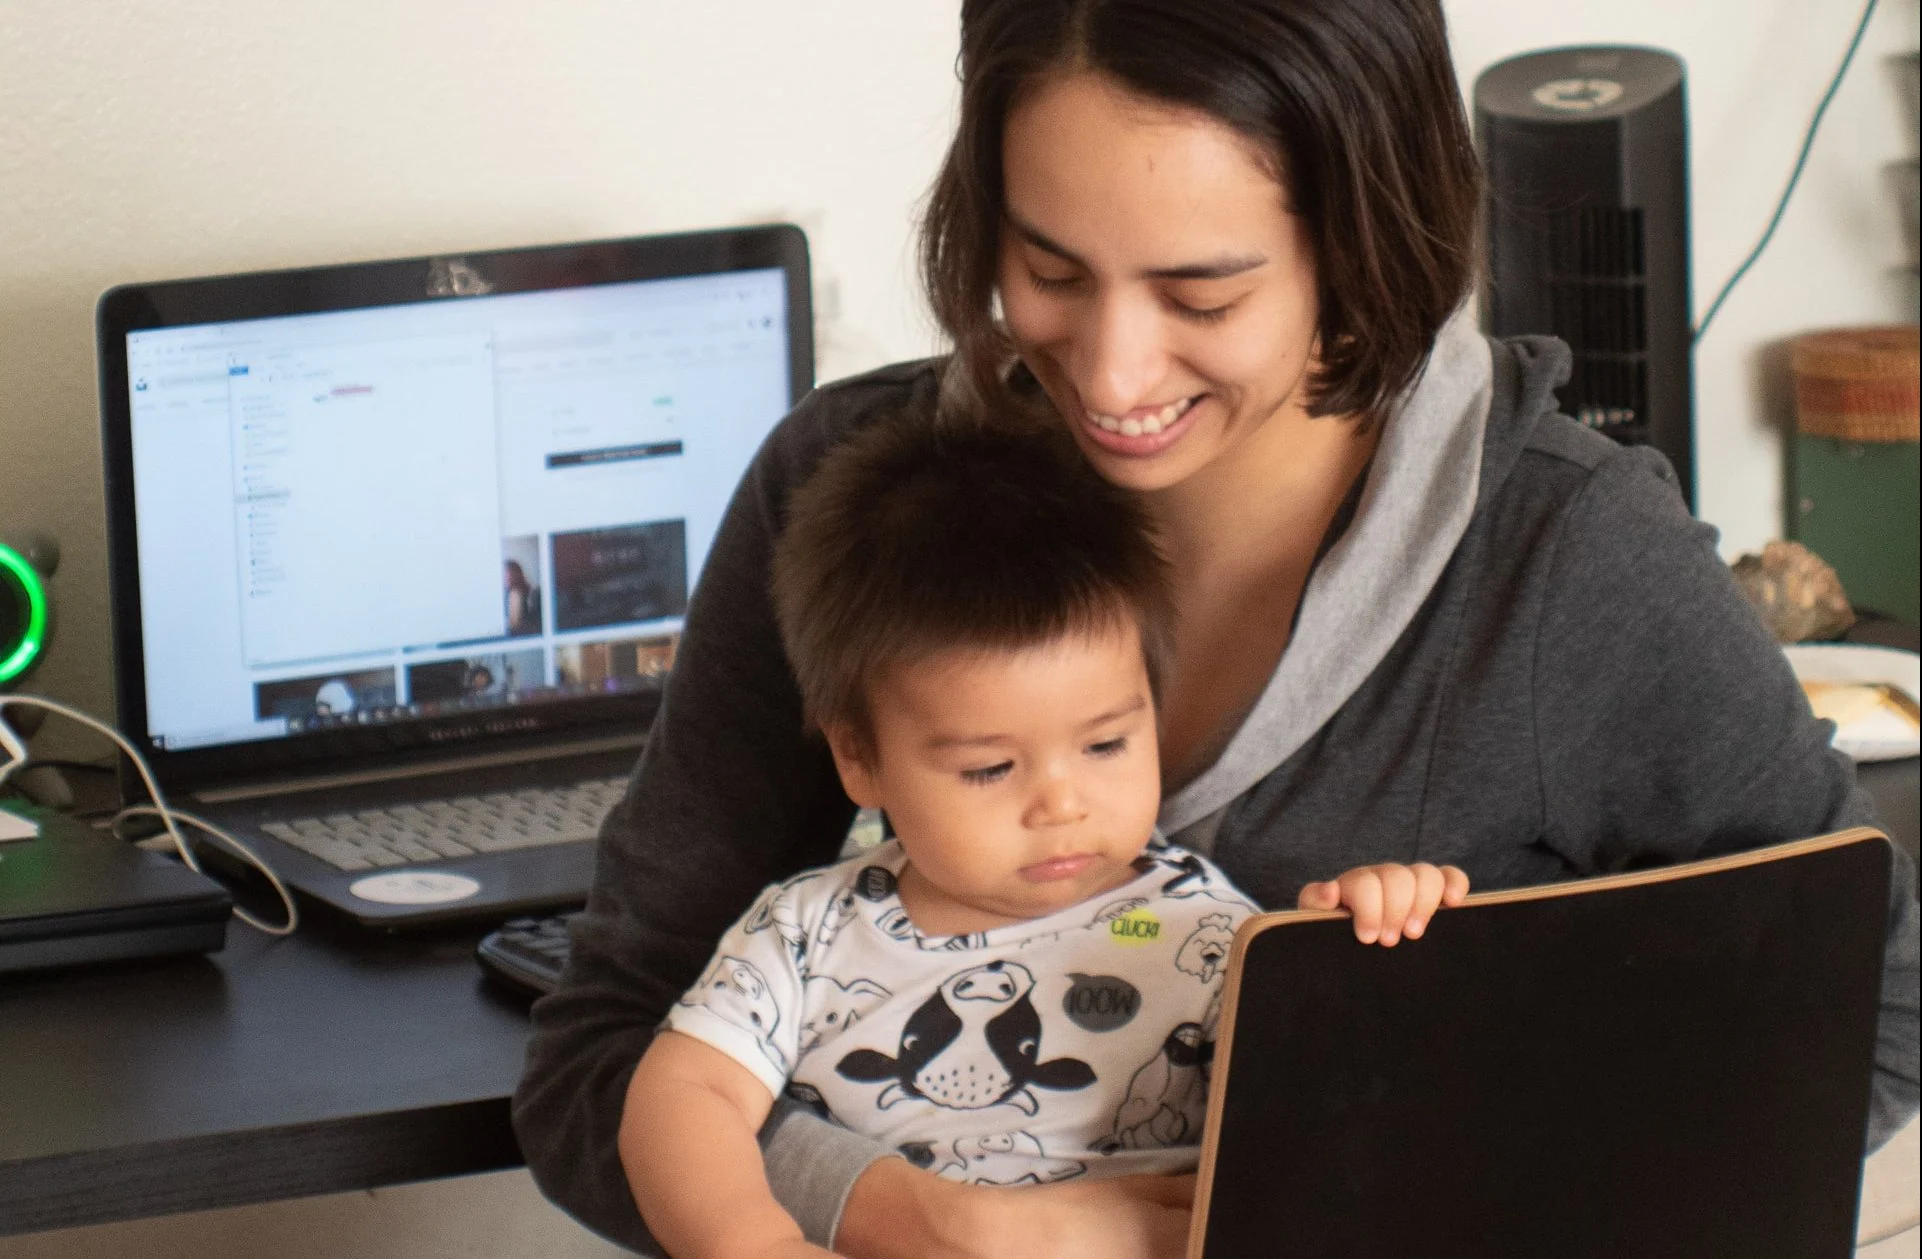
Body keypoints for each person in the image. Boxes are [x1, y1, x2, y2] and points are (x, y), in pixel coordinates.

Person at [515, 3, 1920, 1257]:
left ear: (1362, 248)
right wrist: (910, 1213)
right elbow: (601, 1057)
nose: (1112, 373)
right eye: (1047, 267)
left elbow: (1870, 1017)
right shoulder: (852, 501)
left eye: (1204, 295)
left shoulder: (1562, 556)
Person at [617, 416, 1469, 1259]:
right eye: (990, 768)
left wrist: (1349, 949)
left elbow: (1344, 1129)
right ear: (860, 757)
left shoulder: (1204, 930)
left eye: (1106, 744)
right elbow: (685, 1094)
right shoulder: (806, 934)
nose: (1061, 803)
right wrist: (751, 1242)